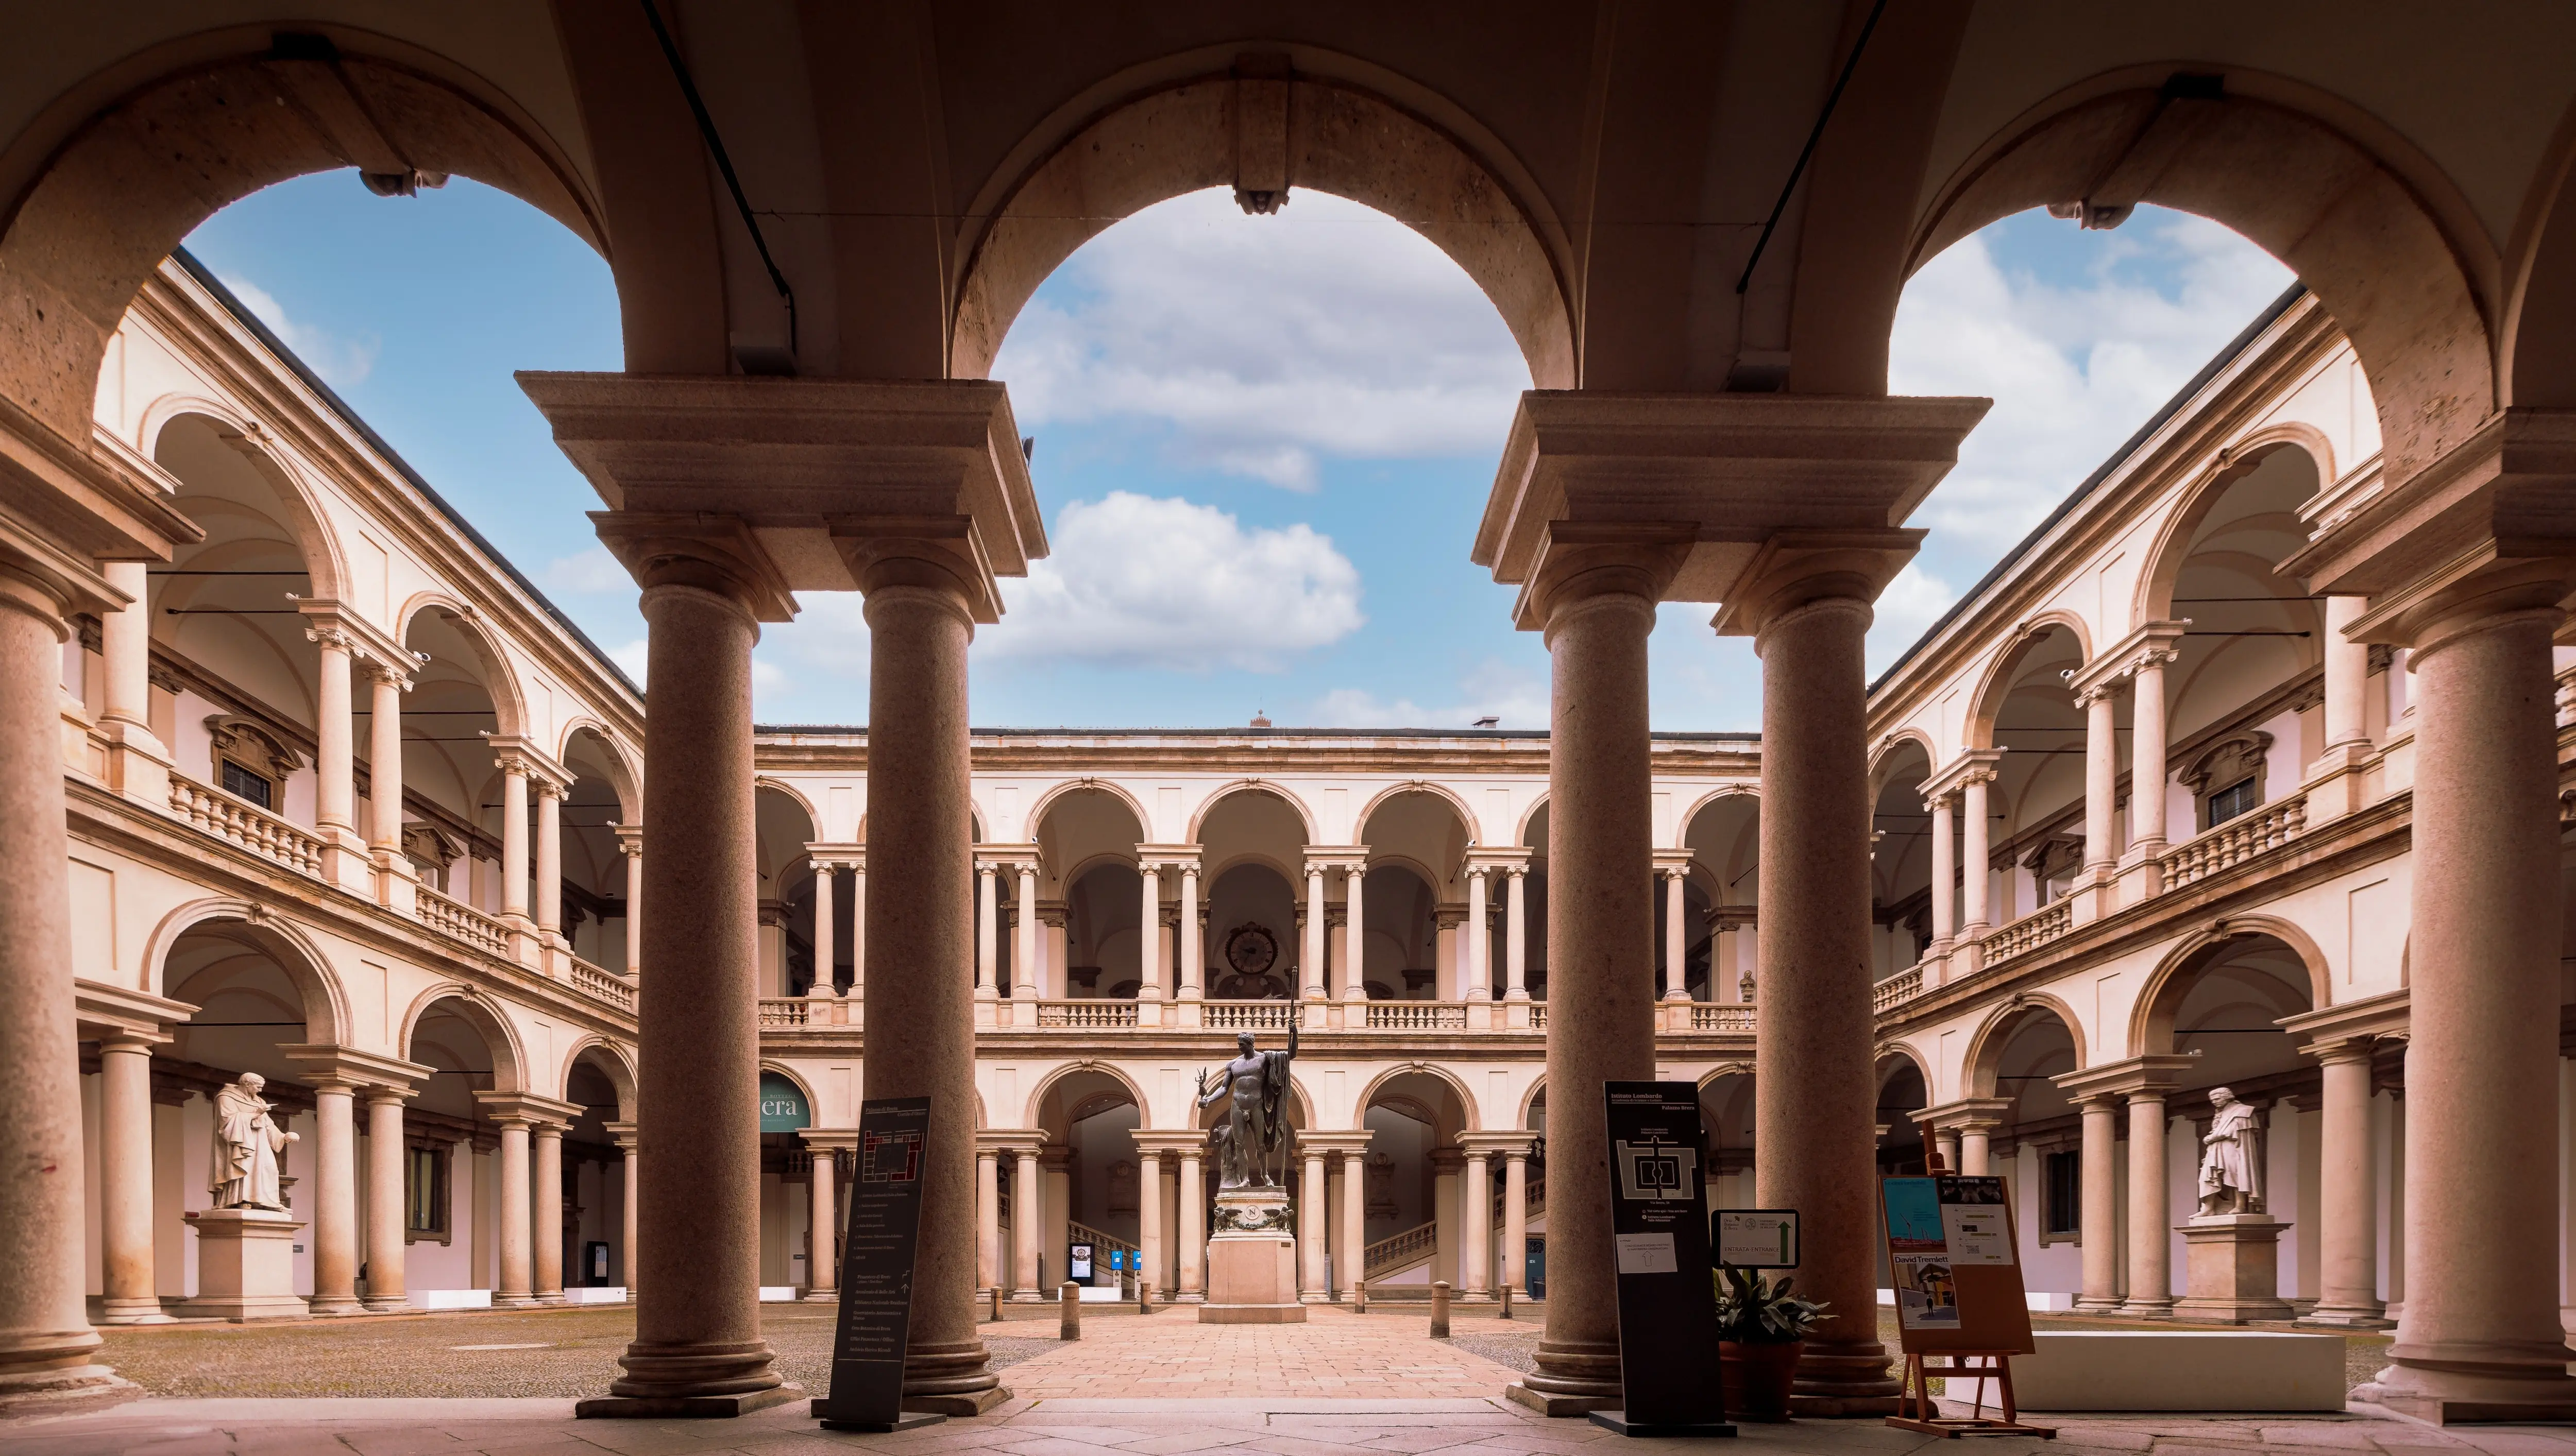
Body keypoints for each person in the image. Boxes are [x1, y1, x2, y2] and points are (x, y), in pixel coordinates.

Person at [1196, 1024, 1298, 1188]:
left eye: (1242, 1044)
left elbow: (1291, 1055)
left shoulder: (1264, 1059)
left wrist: (1294, 1034)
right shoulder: (1233, 1065)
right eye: (1238, 1044)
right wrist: (1208, 1099)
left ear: (1251, 1044)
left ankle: (1265, 1175)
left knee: (1260, 1145)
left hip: (1256, 1105)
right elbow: (1224, 1088)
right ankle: (1245, 1179)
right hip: (1237, 1105)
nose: (1239, 1047)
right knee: (1239, 1144)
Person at [211, 1072, 298, 1210]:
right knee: (246, 1168)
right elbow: (226, 1121)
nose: (260, 1090)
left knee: (270, 1169)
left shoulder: (259, 1101)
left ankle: (268, 1202)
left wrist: (283, 1136)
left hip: (261, 1141)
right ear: (247, 1084)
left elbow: (268, 1123)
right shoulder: (226, 1097)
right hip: (241, 1142)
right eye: (258, 1087)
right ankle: (242, 1199)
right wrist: (256, 1113)